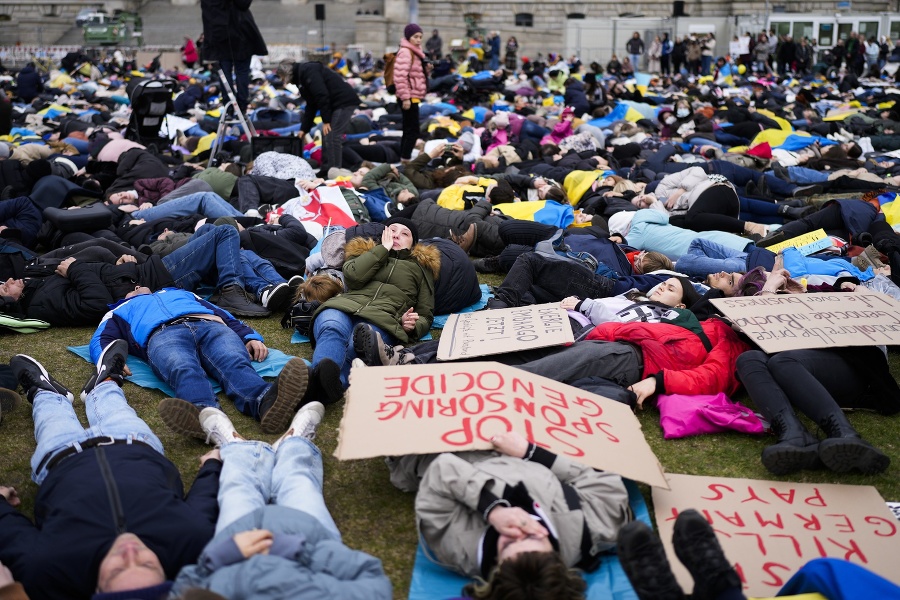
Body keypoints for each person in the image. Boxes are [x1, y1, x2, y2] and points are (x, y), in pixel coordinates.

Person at [2, 348, 221, 600]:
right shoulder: (192, 540)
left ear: (97, 589)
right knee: (114, 405)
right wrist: (212, 464)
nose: (130, 551)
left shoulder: (48, 569)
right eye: (147, 564)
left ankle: (44, 391)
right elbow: (204, 500)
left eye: (117, 569)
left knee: (50, 416)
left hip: (60, 458)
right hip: (133, 444)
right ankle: (105, 382)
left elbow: (10, 534)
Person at [169, 404, 394, 599]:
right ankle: (294, 442)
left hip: (235, 545)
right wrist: (302, 552)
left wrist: (215, 560)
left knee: (236, 486)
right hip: (307, 536)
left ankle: (236, 447)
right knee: (298, 480)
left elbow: (179, 592)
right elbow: (374, 581)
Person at [399, 431, 630, 596]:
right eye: (531, 536)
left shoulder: (458, 546)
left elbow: (442, 469)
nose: (519, 529)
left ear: (496, 565)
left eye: (508, 543)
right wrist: (531, 452)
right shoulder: (591, 531)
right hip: (525, 432)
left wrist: (493, 510)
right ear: (559, 559)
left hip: (439, 440)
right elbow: (604, 483)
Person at [90, 287, 340, 436]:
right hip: (162, 334)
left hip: (210, 325)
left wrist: (249, 336)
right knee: (183, 368)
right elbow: (101, 339)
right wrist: (111, 360)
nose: (138, 287)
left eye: (141, 285)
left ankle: (265, 402)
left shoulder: (181, 293)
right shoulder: (119, 310)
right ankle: (204, 415)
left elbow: (223, 314)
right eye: (132, 289)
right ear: (125, 296)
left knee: (234, 362)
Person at [311, 217, 439, 393]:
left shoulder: (421, 269)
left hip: (383, 319)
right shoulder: (366, 251)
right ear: (384, 233)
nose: (396, 236)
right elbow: (353, 277)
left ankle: (321, 385)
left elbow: (426, 314)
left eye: (405, 234)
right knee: (332, 328)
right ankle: (323, 381)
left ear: (413, 244)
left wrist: (412, 325)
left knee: (355, 347)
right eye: (392, 230)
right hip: (343, 306)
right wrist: (382, 249)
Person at [290, 60, 361, 176]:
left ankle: (334, 172)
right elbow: (311, 105)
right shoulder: (302, 78)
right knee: (326, 134)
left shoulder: (308, 72)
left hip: (344, 101)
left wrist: (326, 120)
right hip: (337, 103)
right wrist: (304, 129)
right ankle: (326, 169)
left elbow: (322, 95)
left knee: (333, 135)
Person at [200, 0, 268, 113]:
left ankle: (230, 105)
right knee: (241, 72)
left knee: (225, 73)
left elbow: (208, 15)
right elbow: (243, 4)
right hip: (240, 34)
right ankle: (241, 105)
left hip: (220, 35)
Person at [395, 24, 429, 161]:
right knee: (413, 131)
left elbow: (415, 74)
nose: (419, 40)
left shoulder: (414, 51)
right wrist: (405, 98)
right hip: (409, 96)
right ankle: (405, 160)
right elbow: (400, 77)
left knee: (409, 129)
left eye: (420, 37)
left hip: (412, 95)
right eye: (416, 37)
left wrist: (427, 69)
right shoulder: (406, 52)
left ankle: (403, 158)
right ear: (408, 37)